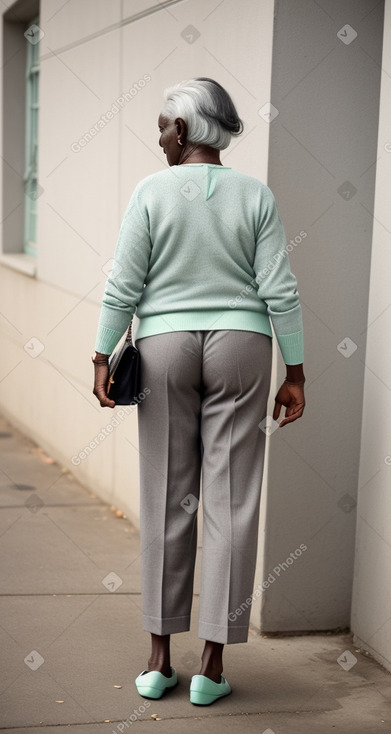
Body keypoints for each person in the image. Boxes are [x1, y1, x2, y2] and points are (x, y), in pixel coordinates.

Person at [92, 77, 305, 706]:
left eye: (162, 125)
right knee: (232, 498)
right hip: (243, 344)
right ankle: (211, 666)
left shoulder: (152, 191)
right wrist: (294, 372)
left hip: (164, 347)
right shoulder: (256, 194)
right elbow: (281, 291)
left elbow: (123, 283)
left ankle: (159, 661)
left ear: (182, 132)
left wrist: (103, 353)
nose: (158, 136)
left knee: (166, 491)